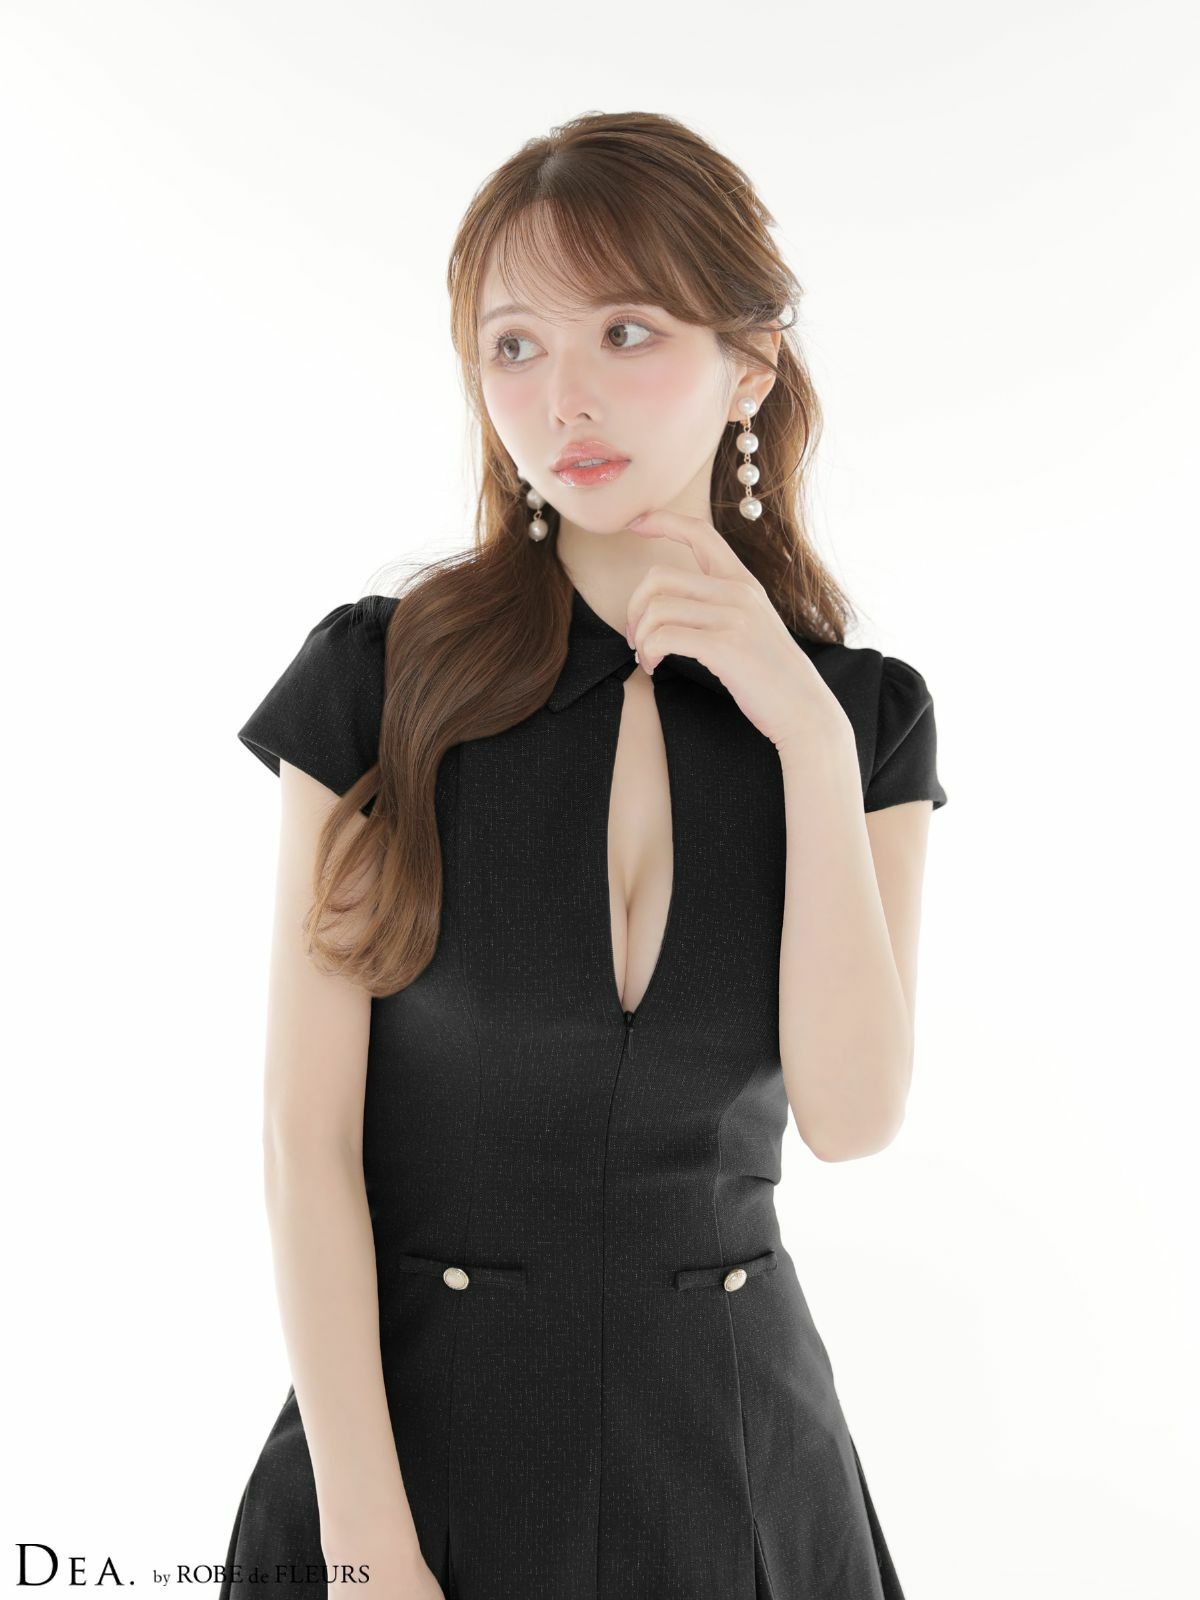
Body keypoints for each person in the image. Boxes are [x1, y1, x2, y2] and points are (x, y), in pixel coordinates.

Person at [218, 110, 948, 1600]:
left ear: (750, 365)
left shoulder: (859, 720)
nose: (564, 400)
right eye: (514, 347)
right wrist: (365, 1553)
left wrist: (808, 744)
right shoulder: (377, 686)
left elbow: (853, 1114)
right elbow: (304, 1146)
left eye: (627, 331)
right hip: (410, 1464)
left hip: (742, 1474)